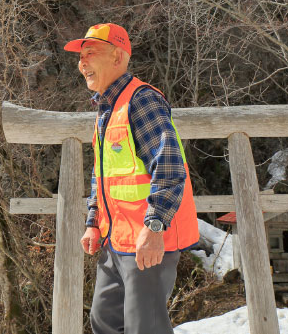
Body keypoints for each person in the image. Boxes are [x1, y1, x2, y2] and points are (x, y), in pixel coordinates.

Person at [64, 23, 199, 334]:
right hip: (116, 240)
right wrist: (92, 222)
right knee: (104, 321)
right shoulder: (105, 108)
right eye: (80, 56)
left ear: (117, 57)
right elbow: (103, 176)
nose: (82, 63)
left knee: (144, 327)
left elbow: (169, 167)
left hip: (148, 241)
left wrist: (154, 227)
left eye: (90, 53)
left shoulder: (141, 101)